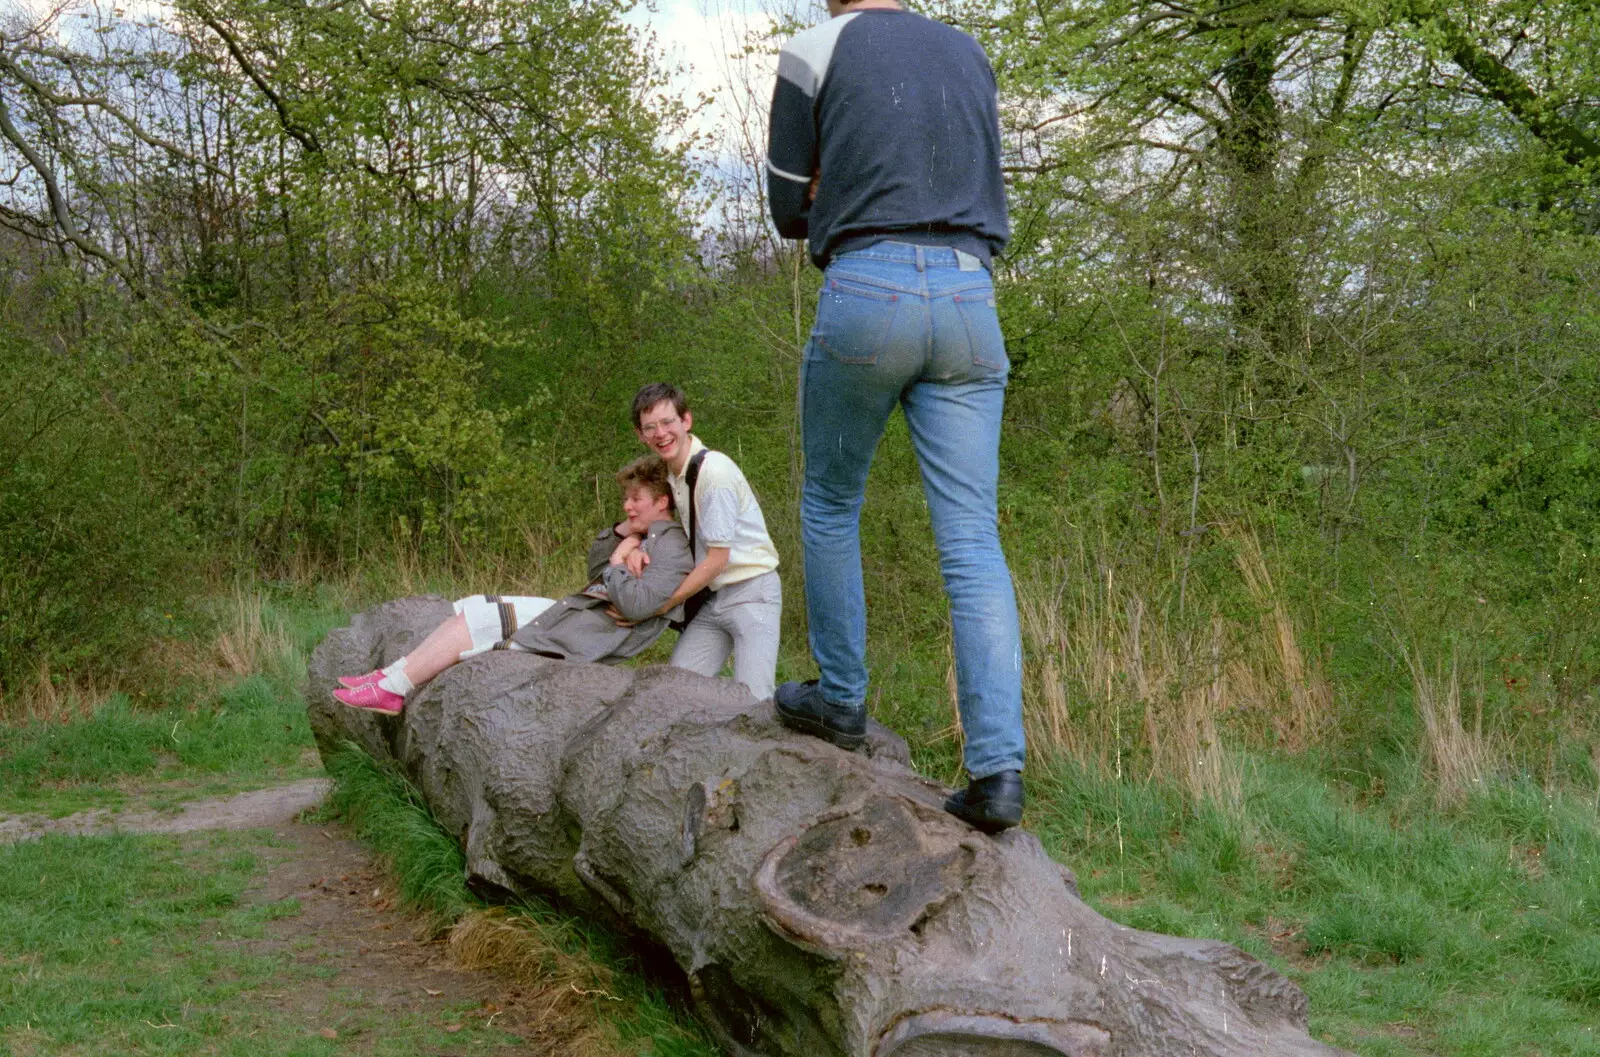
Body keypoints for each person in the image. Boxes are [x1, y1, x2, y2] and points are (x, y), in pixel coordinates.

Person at [765, 0, 1025, 832]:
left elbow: (784, 206)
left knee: (832, 503)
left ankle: (840, 698)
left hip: (867, 286)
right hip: (968, 293)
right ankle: (998, 772)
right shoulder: (967, 51)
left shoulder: (814, 48)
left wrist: (830, 187)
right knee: (974, 540)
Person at [333, 456, 693, 714]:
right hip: (583, 613)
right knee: (473, 606)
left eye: (636, 500)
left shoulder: (672, 546)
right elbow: (595, 573)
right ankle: (387, 677)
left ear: (661, 502)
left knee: (480, 622)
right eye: (625, 498)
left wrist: (620, 563)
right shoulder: (643, 535)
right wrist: (621, 537)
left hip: (596, 631)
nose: (627, 506)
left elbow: (636, 605)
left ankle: (393, 691)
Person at [627, 383, 782, 700]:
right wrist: (628, 546)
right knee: (675, 690)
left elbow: (717, 560)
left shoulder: (714, 473)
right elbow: (644, 516)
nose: (661, 433)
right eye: (650, 427)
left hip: (752, 593)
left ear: (686, 421)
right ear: (640, 435)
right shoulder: (671, 474)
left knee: (753, 700)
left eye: (668, 422)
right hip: (714, 599)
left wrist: (664, 605)